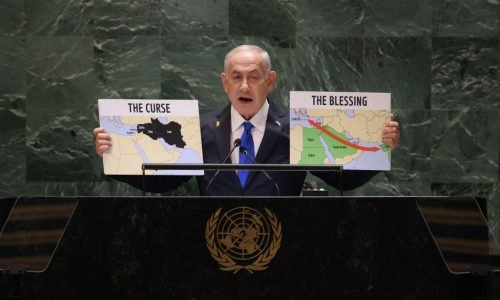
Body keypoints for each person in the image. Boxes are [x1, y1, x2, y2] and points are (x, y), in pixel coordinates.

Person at [93, 45, 400, 196]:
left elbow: (341, 180)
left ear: (270, 81)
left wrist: (378, 149)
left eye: (254, 77)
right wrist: (115, 155)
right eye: (236, 77)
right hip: (214, 245)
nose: (244, 86)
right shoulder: (201, 128)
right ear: (224, 82)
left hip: (283, 246)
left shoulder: (298, 128)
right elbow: (166, 181)